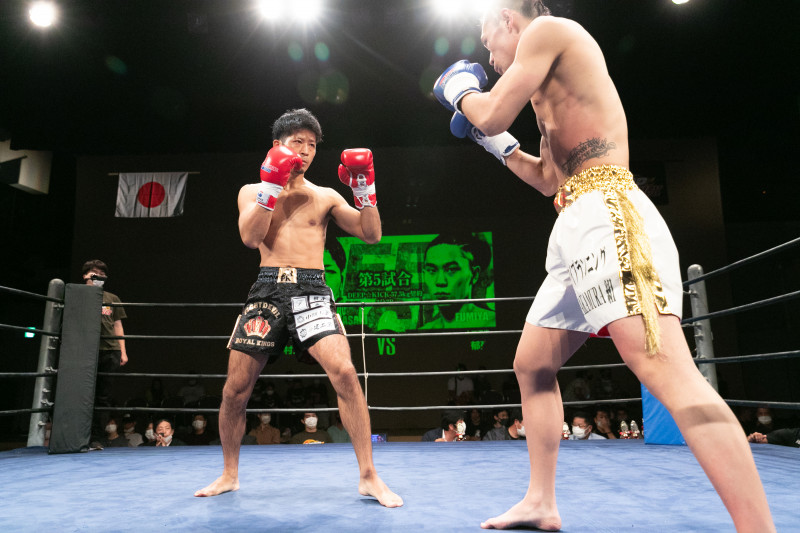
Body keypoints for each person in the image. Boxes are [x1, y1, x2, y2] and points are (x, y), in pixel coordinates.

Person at [433, 2, 774, 530]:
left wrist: (461, 92)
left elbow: (493, 110)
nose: (490, 57)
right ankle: (541, 501)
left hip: (609, 211)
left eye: (487, 41)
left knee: (669, 373)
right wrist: (495, 144)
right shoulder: (548, 95)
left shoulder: (548, 30)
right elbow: (547, 178)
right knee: (532, 365)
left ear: (507, 18)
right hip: (573, 221)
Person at [195, 109, 401, 507]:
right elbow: (250, 238)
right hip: (266, 290)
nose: (305, 151)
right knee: (235, 390)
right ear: (278, 145)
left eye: (311, 145)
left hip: (312, 289)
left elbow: (371, 234)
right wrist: (271, 187)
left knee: (345, 372)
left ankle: (369, 476)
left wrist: (365, 190)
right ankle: (229, 474)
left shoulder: (326, 196)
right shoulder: (251, 191)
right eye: (297, 142)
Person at [420, 233, 495, 330]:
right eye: (431, 270)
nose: (440, 282)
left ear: (474, 274)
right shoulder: (425, 330)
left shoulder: (492, 324)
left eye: (451, 269)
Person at [82, 260, 128, 406]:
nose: (99, 276)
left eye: (102, 274)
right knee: (84, 390)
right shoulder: (78, 295)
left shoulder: (112, 298)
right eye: (95, 273)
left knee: (104, 394)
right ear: (85, 275)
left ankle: (100, 422)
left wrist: (123, 351)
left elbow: (118, 325)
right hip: (86, 349)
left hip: (110, 350)